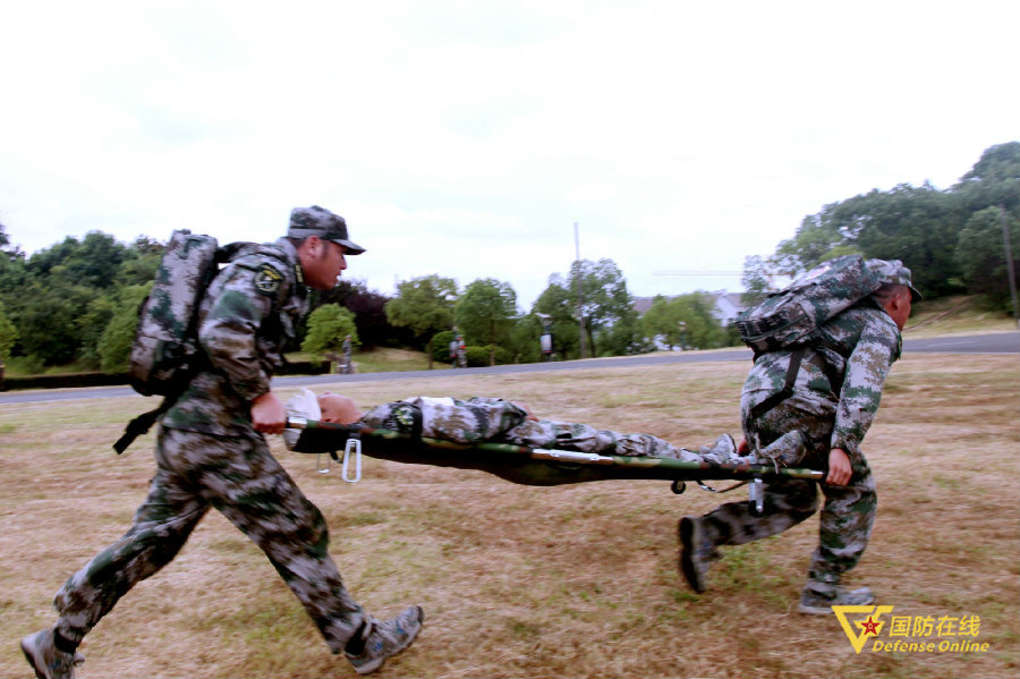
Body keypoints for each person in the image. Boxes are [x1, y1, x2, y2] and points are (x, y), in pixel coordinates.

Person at [21, 206, 423, 679]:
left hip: (187, 432)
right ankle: (363, 641)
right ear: (312, 244)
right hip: (216, 437)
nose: (345, 264)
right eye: (340, 252)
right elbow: (223, 332)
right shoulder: (269, 270)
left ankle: (57, 641)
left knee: (152, 542)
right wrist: (259, 394)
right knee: (297, 528)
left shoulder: (274, 274)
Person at [678, 259, 920, 614]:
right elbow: (861, 388)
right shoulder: (878, 324)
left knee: (795, 498)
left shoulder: (818, 318)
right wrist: (842, 447)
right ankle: (823, 590)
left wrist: (756, 431)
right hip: (801, 408)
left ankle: (708, 534)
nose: (908, 313)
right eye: (910, 304)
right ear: (897, 301)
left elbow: (773, 372)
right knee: (855, 490)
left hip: (761, 405)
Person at [284, 389, 749, 465]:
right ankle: (712, 460)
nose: (332, 393)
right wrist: (511, 409)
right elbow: (465, 425)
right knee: (632, 444)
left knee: (631, 444)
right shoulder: (387, 420)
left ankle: (708, 455)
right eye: (325, 397)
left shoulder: (376, 429)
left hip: (517, 439)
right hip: (526, 437)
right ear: (328, 418)